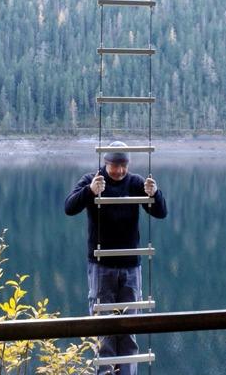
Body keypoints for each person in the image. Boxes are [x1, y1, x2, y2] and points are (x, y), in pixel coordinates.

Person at [64, 141, 168, 375]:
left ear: (128, 165)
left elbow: (161, 212)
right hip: (101, 268)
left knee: (129, 331)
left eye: (123, 166)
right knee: (104, 329)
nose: (119, 171)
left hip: (131, 268)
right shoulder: (92, 181)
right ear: (105, 163)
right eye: (115, 166)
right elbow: (69, 208)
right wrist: (90, 191)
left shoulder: (136, 183)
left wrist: (155, 193)